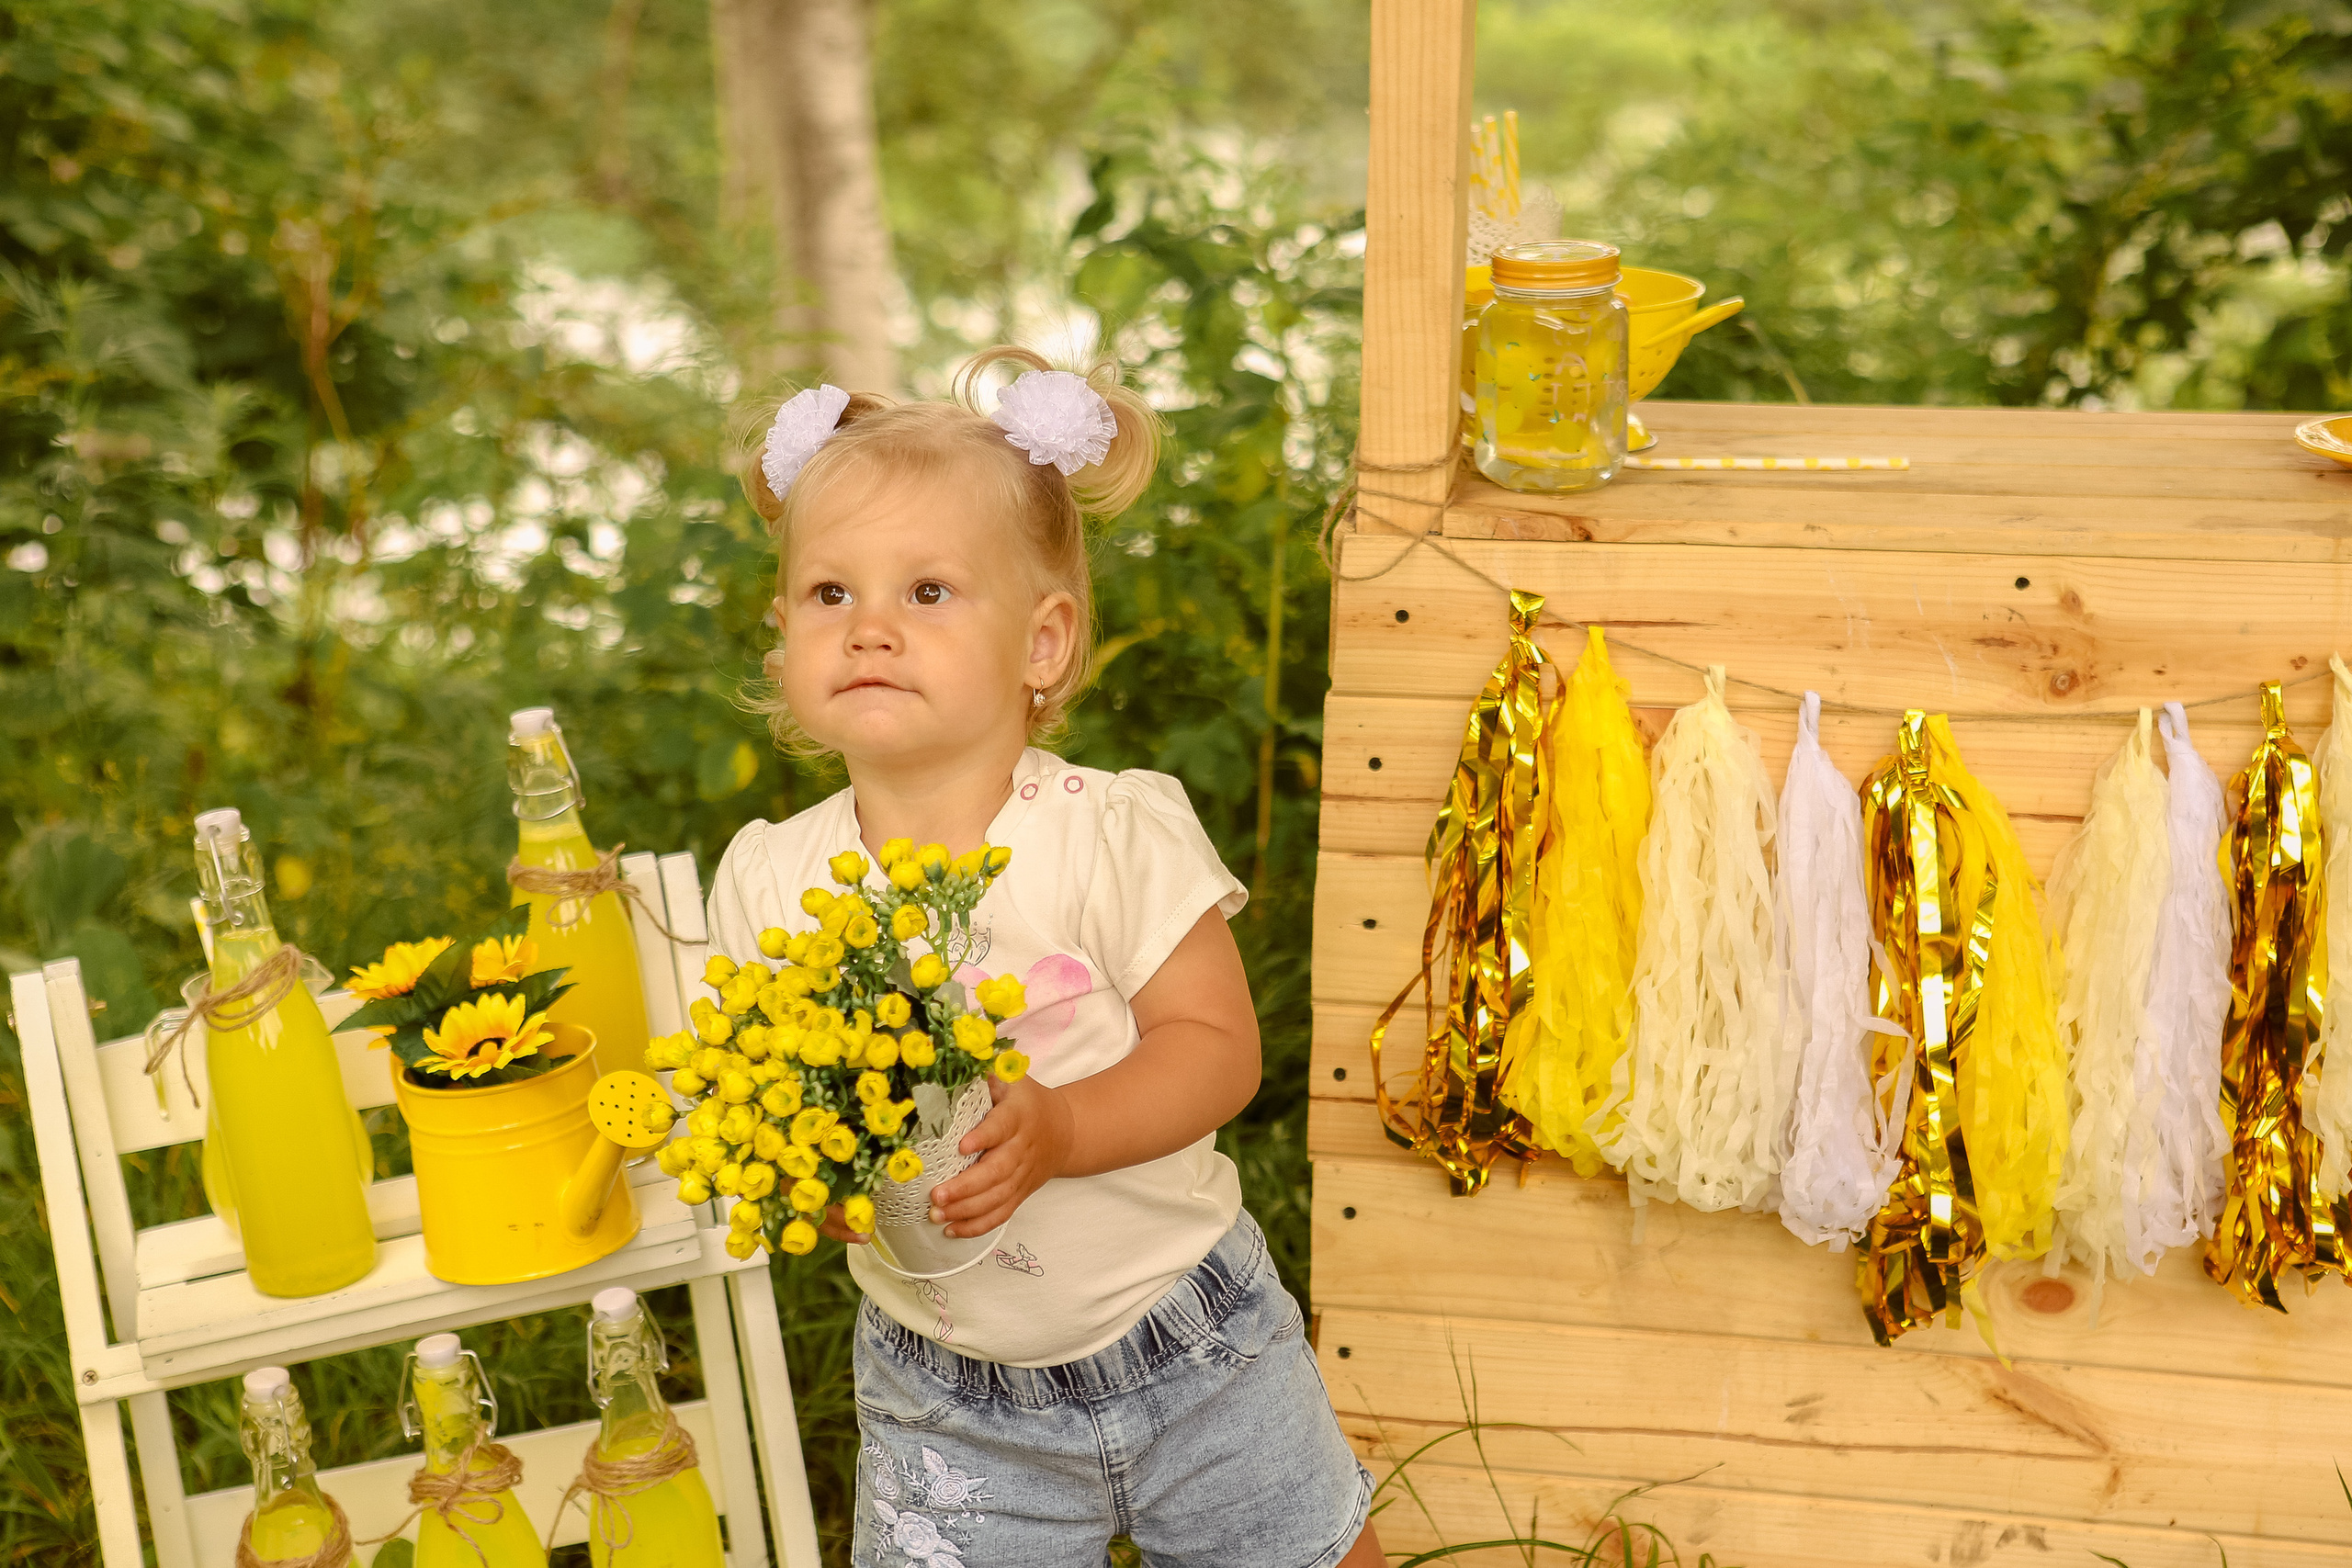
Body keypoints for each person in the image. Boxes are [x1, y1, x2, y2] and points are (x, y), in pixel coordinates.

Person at [704, 346, 1380, 1568]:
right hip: (944, 1393)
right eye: (828, 595)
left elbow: (1218, 1051)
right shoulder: (768, 879)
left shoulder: (1108, 833)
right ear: (782, 636)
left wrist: (1063, 1130)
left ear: (1043, 643)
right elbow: (767, 1098)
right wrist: (805, 1182)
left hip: (1190, 1343)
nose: (868, 629)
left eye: (927, 593)